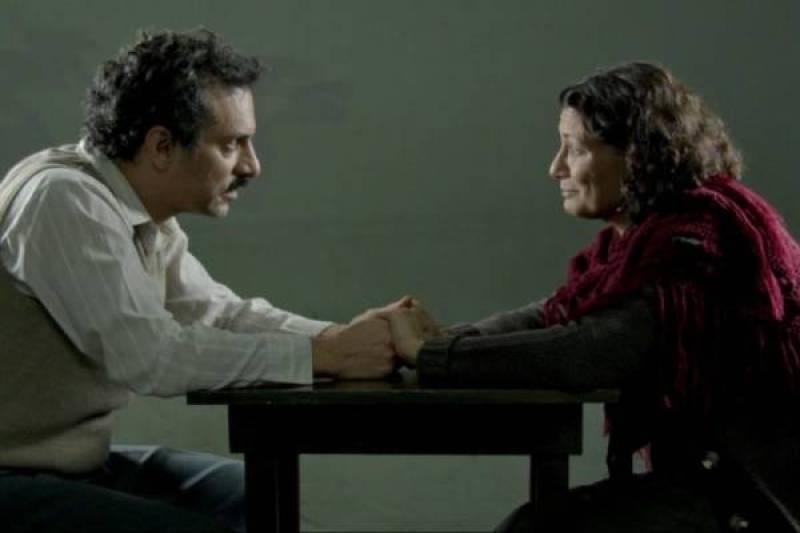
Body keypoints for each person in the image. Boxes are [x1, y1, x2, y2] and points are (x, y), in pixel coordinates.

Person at [0, 28, 408, 533]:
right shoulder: (64, 199)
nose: (252, 166)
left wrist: (341, 339)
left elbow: (219, 313)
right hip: (13, 477)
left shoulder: (139, 214)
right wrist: (322, 355)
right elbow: (150, 356)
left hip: (78, 468)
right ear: (162, 145)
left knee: (260, 500)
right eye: (232, 144)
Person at [385, 63, 800, 532]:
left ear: (639, 157)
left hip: (758, 503)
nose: (556, 167)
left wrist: (429, 354)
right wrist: (446, 340)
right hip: (719, 484)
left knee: (536, 529)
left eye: (577, 149)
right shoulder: (642, 244)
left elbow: (588, 351)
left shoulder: (696, 244)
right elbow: (554, 313)